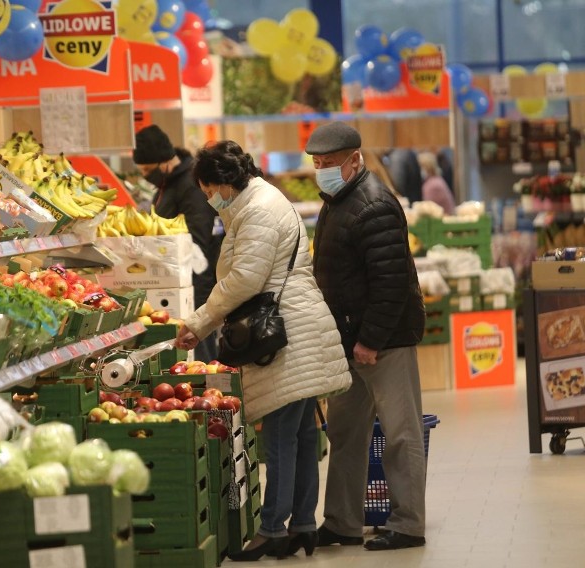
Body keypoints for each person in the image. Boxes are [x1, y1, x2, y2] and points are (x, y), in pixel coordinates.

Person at [174, 140, 352, 561]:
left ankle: (274, 529)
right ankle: (303, 525)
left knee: (280, 438)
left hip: (284, 334)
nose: (208, 199)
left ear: (220, 182)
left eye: (207, 190)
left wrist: (199, 322)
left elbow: (244, 281)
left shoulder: (256, 211)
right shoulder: (261, 201)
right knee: (303, 434)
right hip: (297, 325)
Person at [305, 122, 428, 551]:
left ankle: (409, 524)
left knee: (400, 433)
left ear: (355, 160)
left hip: (384, 340)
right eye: (317, 164)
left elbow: (391, 282)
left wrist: (371, 340)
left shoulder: (373, 204)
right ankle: (342, 521)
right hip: (347, 342)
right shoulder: (337, 200)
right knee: (346, 433)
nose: (321, 170)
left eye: (329, 164)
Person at [133, 125, 222, 362]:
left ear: (164, 161)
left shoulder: (190, 185)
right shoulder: (167, 183)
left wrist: (199, 302)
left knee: (200, 354)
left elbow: (198, 240)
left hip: (194, 282)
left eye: (148, 169)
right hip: (173, 278)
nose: (145, 175)